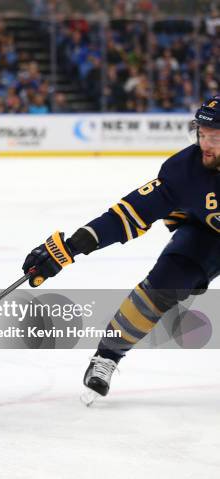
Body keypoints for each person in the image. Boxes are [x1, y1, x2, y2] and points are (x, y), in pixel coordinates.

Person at [22, 96, 220, 404]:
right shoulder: (186, 169)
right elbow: (132, 212)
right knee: (162, 285)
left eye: (216, 137)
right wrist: (73, 246)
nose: (206, 143)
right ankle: (107, 358)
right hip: (207, 234)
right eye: (203, 133)